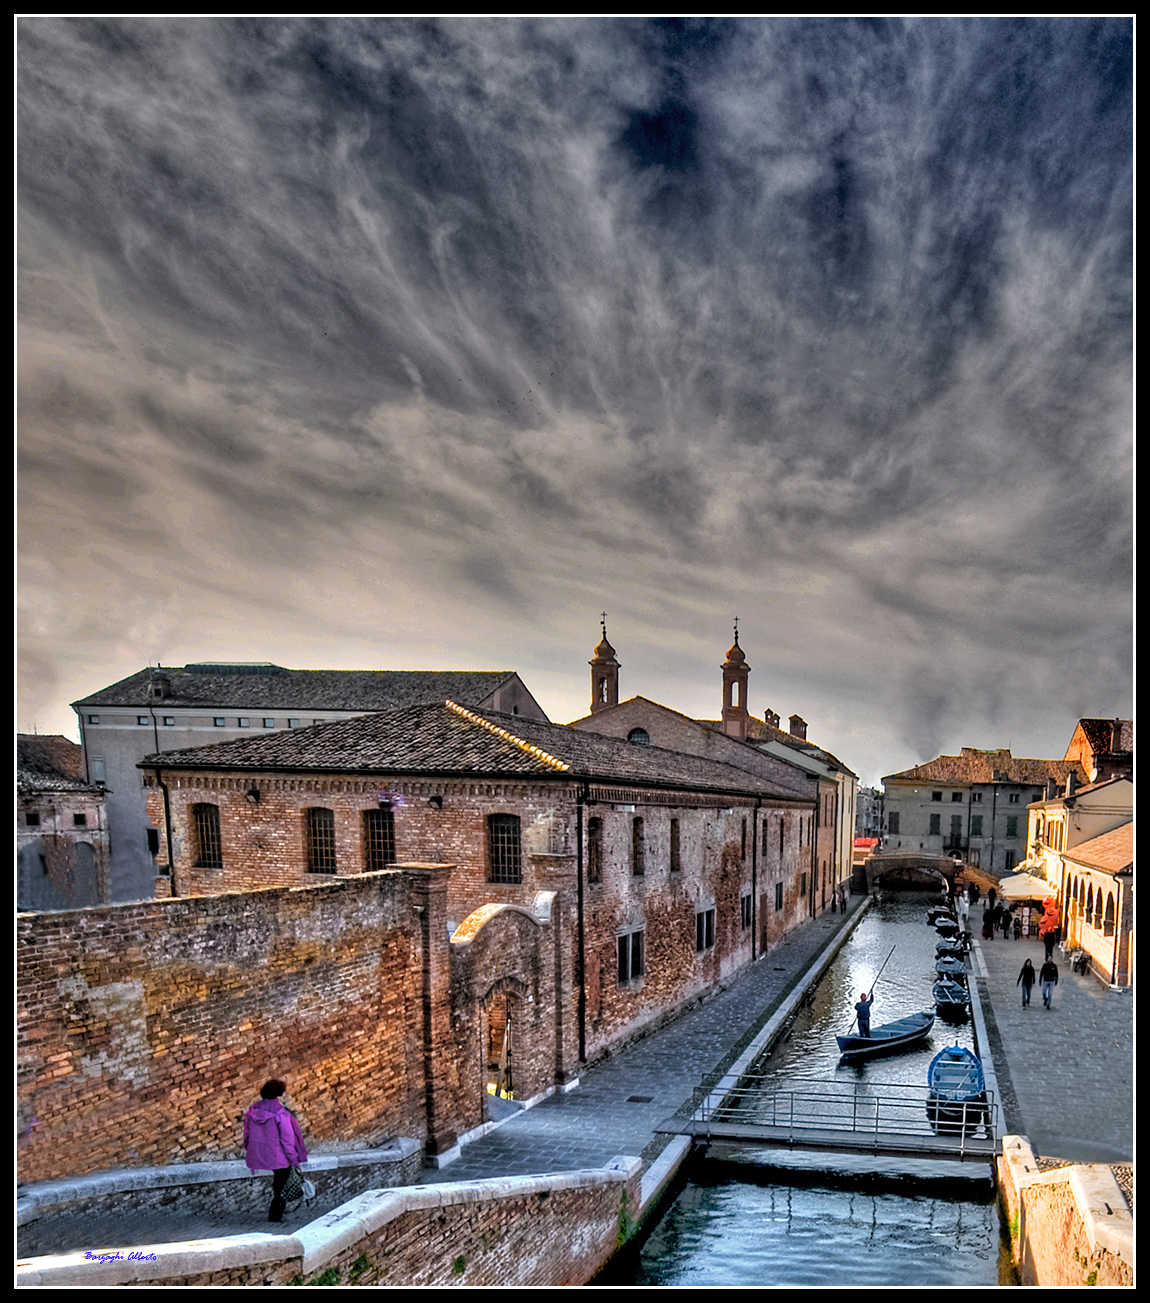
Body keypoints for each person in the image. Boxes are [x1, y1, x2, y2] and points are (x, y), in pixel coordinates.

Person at [244, 1079, 308, 1222]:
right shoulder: (281, 1113)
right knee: (282, 1182)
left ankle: (276, 1211)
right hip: (278, 1155)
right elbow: (287, 1139)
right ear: (279, 1094)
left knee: (279, 1180)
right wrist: (294, 1159)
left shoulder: (252, 1110)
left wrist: (250, 1150)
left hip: (259, 1153)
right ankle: (275, 1213)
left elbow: (247, 1133)